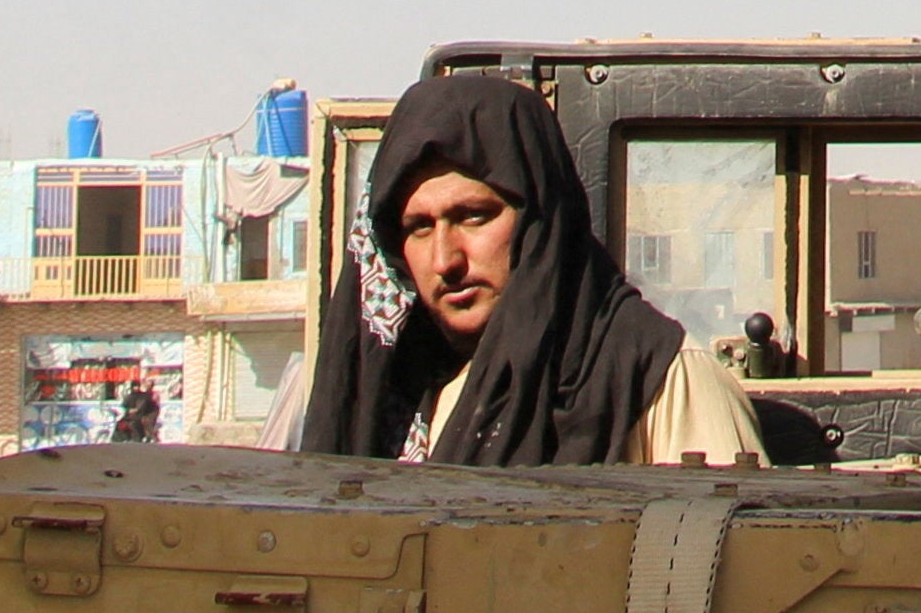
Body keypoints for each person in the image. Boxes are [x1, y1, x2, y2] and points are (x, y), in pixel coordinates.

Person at [297, 72, 767, 467]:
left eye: (474, 216)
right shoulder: (392, 393)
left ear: (540, 219)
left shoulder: (655, 378)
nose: (446, 260)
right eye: (418, 227)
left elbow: (740, 564)